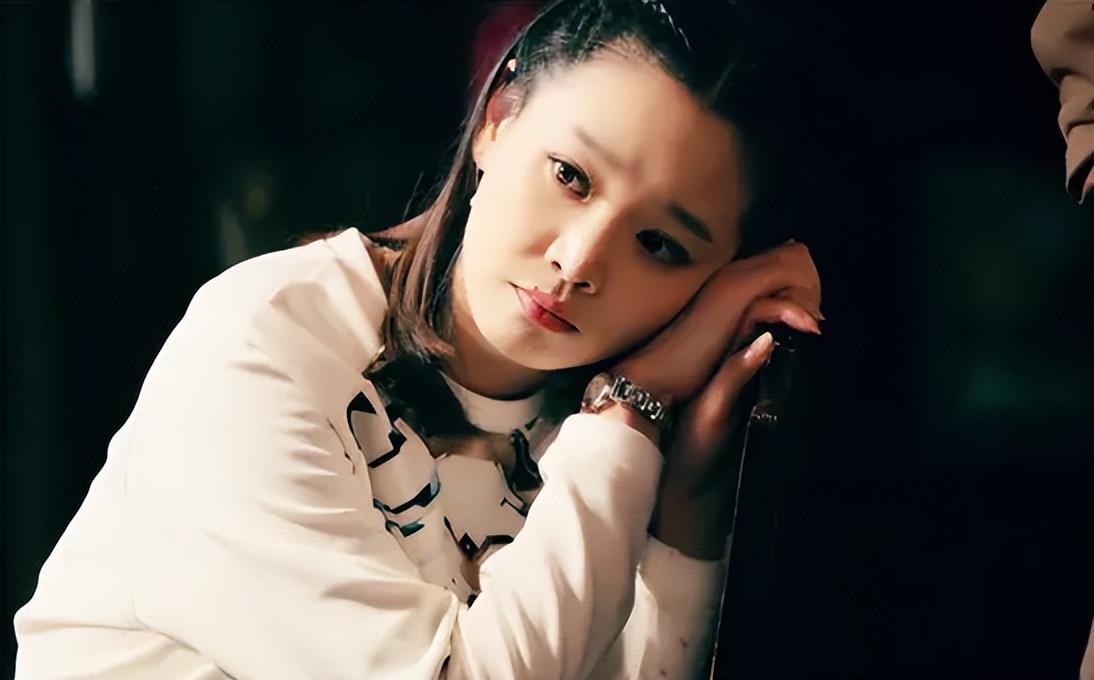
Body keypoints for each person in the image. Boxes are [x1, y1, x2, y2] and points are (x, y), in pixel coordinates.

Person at [13, 1, 822, 677]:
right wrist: (631, 411)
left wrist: (688, 501)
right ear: (498, 120)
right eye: (570, 176)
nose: (578, 262)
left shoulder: (600, 446)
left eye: (660, 246)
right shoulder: (267, 341)